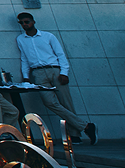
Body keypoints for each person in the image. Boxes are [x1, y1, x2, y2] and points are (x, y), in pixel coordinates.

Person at [15, 11, 95, 144]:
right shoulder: (20, 39)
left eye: (27, 21)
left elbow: (60, 54)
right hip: (38, 73)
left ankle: (75, 135)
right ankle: (85, 126)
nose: (24, 24)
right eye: (22, 23)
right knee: (49, 102)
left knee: (66, 102)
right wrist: (26, 77)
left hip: (54, 70)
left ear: (33, 22)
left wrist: (64, 72)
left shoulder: (48, 36)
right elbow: (24, 58)